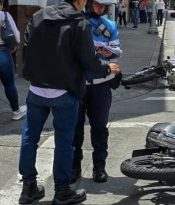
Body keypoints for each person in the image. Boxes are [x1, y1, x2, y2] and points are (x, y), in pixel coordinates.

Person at [18, 0, 121, 204]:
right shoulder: (78, 22)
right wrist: (108, 68)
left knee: (30, 137)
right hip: (64, 91)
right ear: (80, 1)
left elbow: (26, 49)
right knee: (65, 142)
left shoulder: (39, 16)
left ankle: (28, 186)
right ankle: (62, 190)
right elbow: (88, 60)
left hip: (36, 88)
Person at [71, 0, 122, 184]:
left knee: (99, 128)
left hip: (102, 83)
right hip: (79, 83)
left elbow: (116, 50)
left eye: (103, 6)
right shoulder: (77, 21)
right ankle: (74, 167)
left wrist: (109, 53)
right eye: (97, 5)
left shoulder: (110, 25)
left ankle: (99, 167)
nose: (100, 9)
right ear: (90, 3)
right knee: (75, 129)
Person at [0, 0, 27, 121]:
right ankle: (16, 111)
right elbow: (16, 34)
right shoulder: (4, 15)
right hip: (3, 53)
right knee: (9, 84)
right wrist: (14, 46)